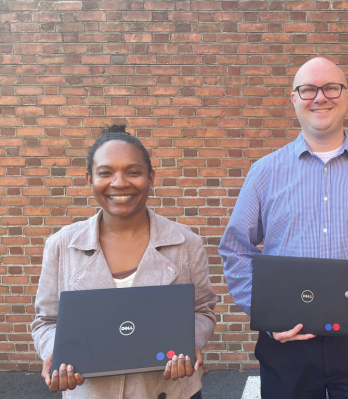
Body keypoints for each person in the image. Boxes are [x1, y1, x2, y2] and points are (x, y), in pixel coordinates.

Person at [218, 57, 348, 399]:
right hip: (287, 342)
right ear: (293, 98)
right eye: (308, 89)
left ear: (347, 95)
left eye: (331, 88)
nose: (319, 97)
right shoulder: (265, 173)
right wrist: (265, 314)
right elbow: (237, 250)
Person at [32, 125, 217, 399]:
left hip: (169, 390)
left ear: (150, 177)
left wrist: (189, 344)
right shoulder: (61, 245)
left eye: (133, 172)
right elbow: (46, 321)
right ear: (90, 179)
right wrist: (54, 353)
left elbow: (203, 311)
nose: (119, 183)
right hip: (92, 391)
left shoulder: (186, 243)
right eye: (105, 173)